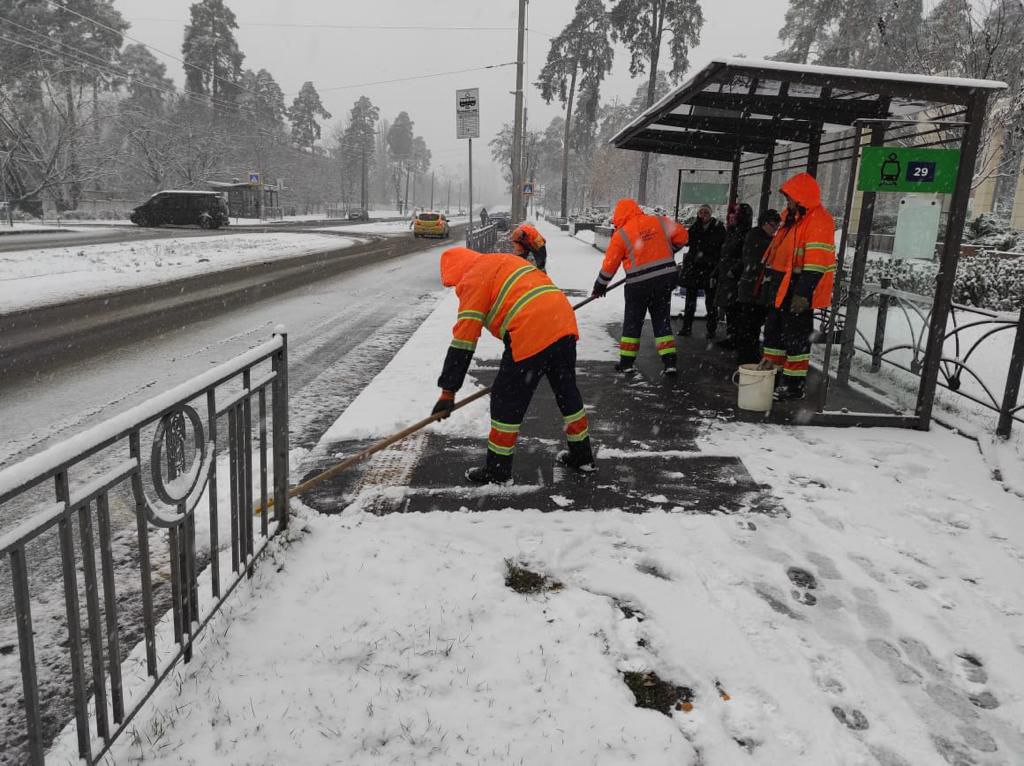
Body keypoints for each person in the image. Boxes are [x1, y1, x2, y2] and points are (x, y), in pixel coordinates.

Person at [431, 246, 596, 484]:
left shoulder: (472, 279)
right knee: (567, 393)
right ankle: (582, 456)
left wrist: (448, 391)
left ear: (456, 273)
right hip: (563, 321)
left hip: (532, 330)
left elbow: (463, 341)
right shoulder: (504, 260)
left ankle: (498, 471)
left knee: (506, 402)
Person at [759, 173, 836, 401]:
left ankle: (793, 385)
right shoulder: (792, 217)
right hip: (782, 285)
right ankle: (771, 377)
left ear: (801, 199)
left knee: (796, 338)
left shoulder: (819, 221)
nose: (787, 202)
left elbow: (816, 263)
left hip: (799, 287)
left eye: (790, 198)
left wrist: (802, 294)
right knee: (774, 334)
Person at [591, 198, 688, 375]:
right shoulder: (658, 221)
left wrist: (600, 286)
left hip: (638, 285)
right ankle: (670, 363)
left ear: (619, 215)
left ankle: (627, 363)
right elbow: (683, 236)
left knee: (633, 322)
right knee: (661, 320)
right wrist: (669, 248)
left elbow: (610, 265)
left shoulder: (622, 234)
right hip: (664, 280)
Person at [733, 209, 781, 366]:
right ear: (764, 223)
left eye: (777, 225)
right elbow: (758, 261)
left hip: (756, 292)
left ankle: (748, 355)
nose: (775, 229)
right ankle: (747, 357)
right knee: (749, 326)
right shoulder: (757, 238)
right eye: (773, 225)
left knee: (751, 326)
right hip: (753, 292)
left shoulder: (759, 237)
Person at [678, 204, 727, 339]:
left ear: (710, 214)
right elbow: (688, 241)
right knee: (690, 300)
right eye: (701, 212)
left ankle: (711, 329)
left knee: (710, 300)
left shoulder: (718, 227)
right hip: (694, 268)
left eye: (706, 212)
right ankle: (686, 327)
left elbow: (718, 246)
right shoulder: (695, 227)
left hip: (709, 269)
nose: (703, 215)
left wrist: (706, 257)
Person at [714, 203, 754, 350]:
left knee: (734, 309)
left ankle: (735, 338)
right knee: (730, 309)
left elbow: (745, 256)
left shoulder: (744, 234)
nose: (732, 216)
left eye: (736, 213)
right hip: (728, 275)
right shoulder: (734, 232)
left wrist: (734, 270)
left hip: (734, 277)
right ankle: (732, 336)